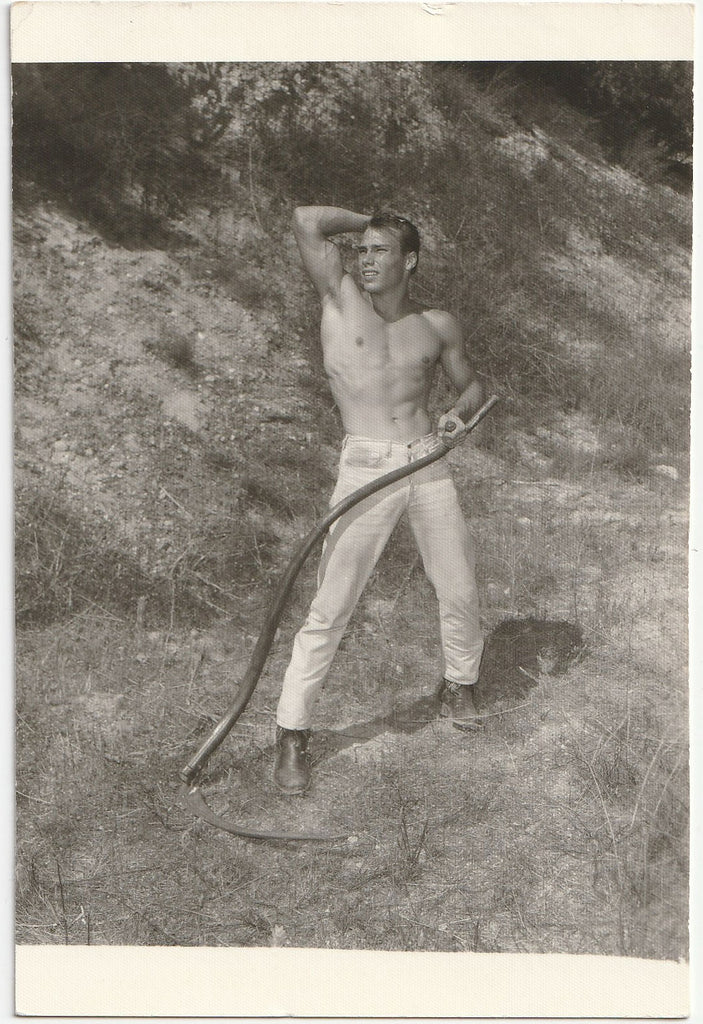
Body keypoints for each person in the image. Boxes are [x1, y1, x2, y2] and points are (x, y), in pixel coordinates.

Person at [274, 205, 485, 795]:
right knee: (332, 605)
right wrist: (374, 218)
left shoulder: (438, 324)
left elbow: (473, 386)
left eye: (378, 250)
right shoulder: (340, 300)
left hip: (427, 460)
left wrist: (460, 414)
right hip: (366, 462)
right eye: (360, 249)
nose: (363, 259)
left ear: (409, 260)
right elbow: (306, 219)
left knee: (459, 586)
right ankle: (293, 732)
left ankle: (461, 683)